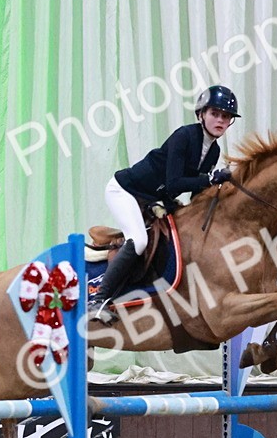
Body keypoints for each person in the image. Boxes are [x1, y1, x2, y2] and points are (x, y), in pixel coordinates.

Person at [88, 85, 240, 320]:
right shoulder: (185, 136)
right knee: (138, 240)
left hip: (153, 198)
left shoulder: (213, 150)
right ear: (201, 114)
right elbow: (174, 183)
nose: (220, 120)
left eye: (226, 116)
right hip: (125, 190)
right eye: (215, 114)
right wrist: (209, 178)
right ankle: (98, 299)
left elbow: (193, 192)